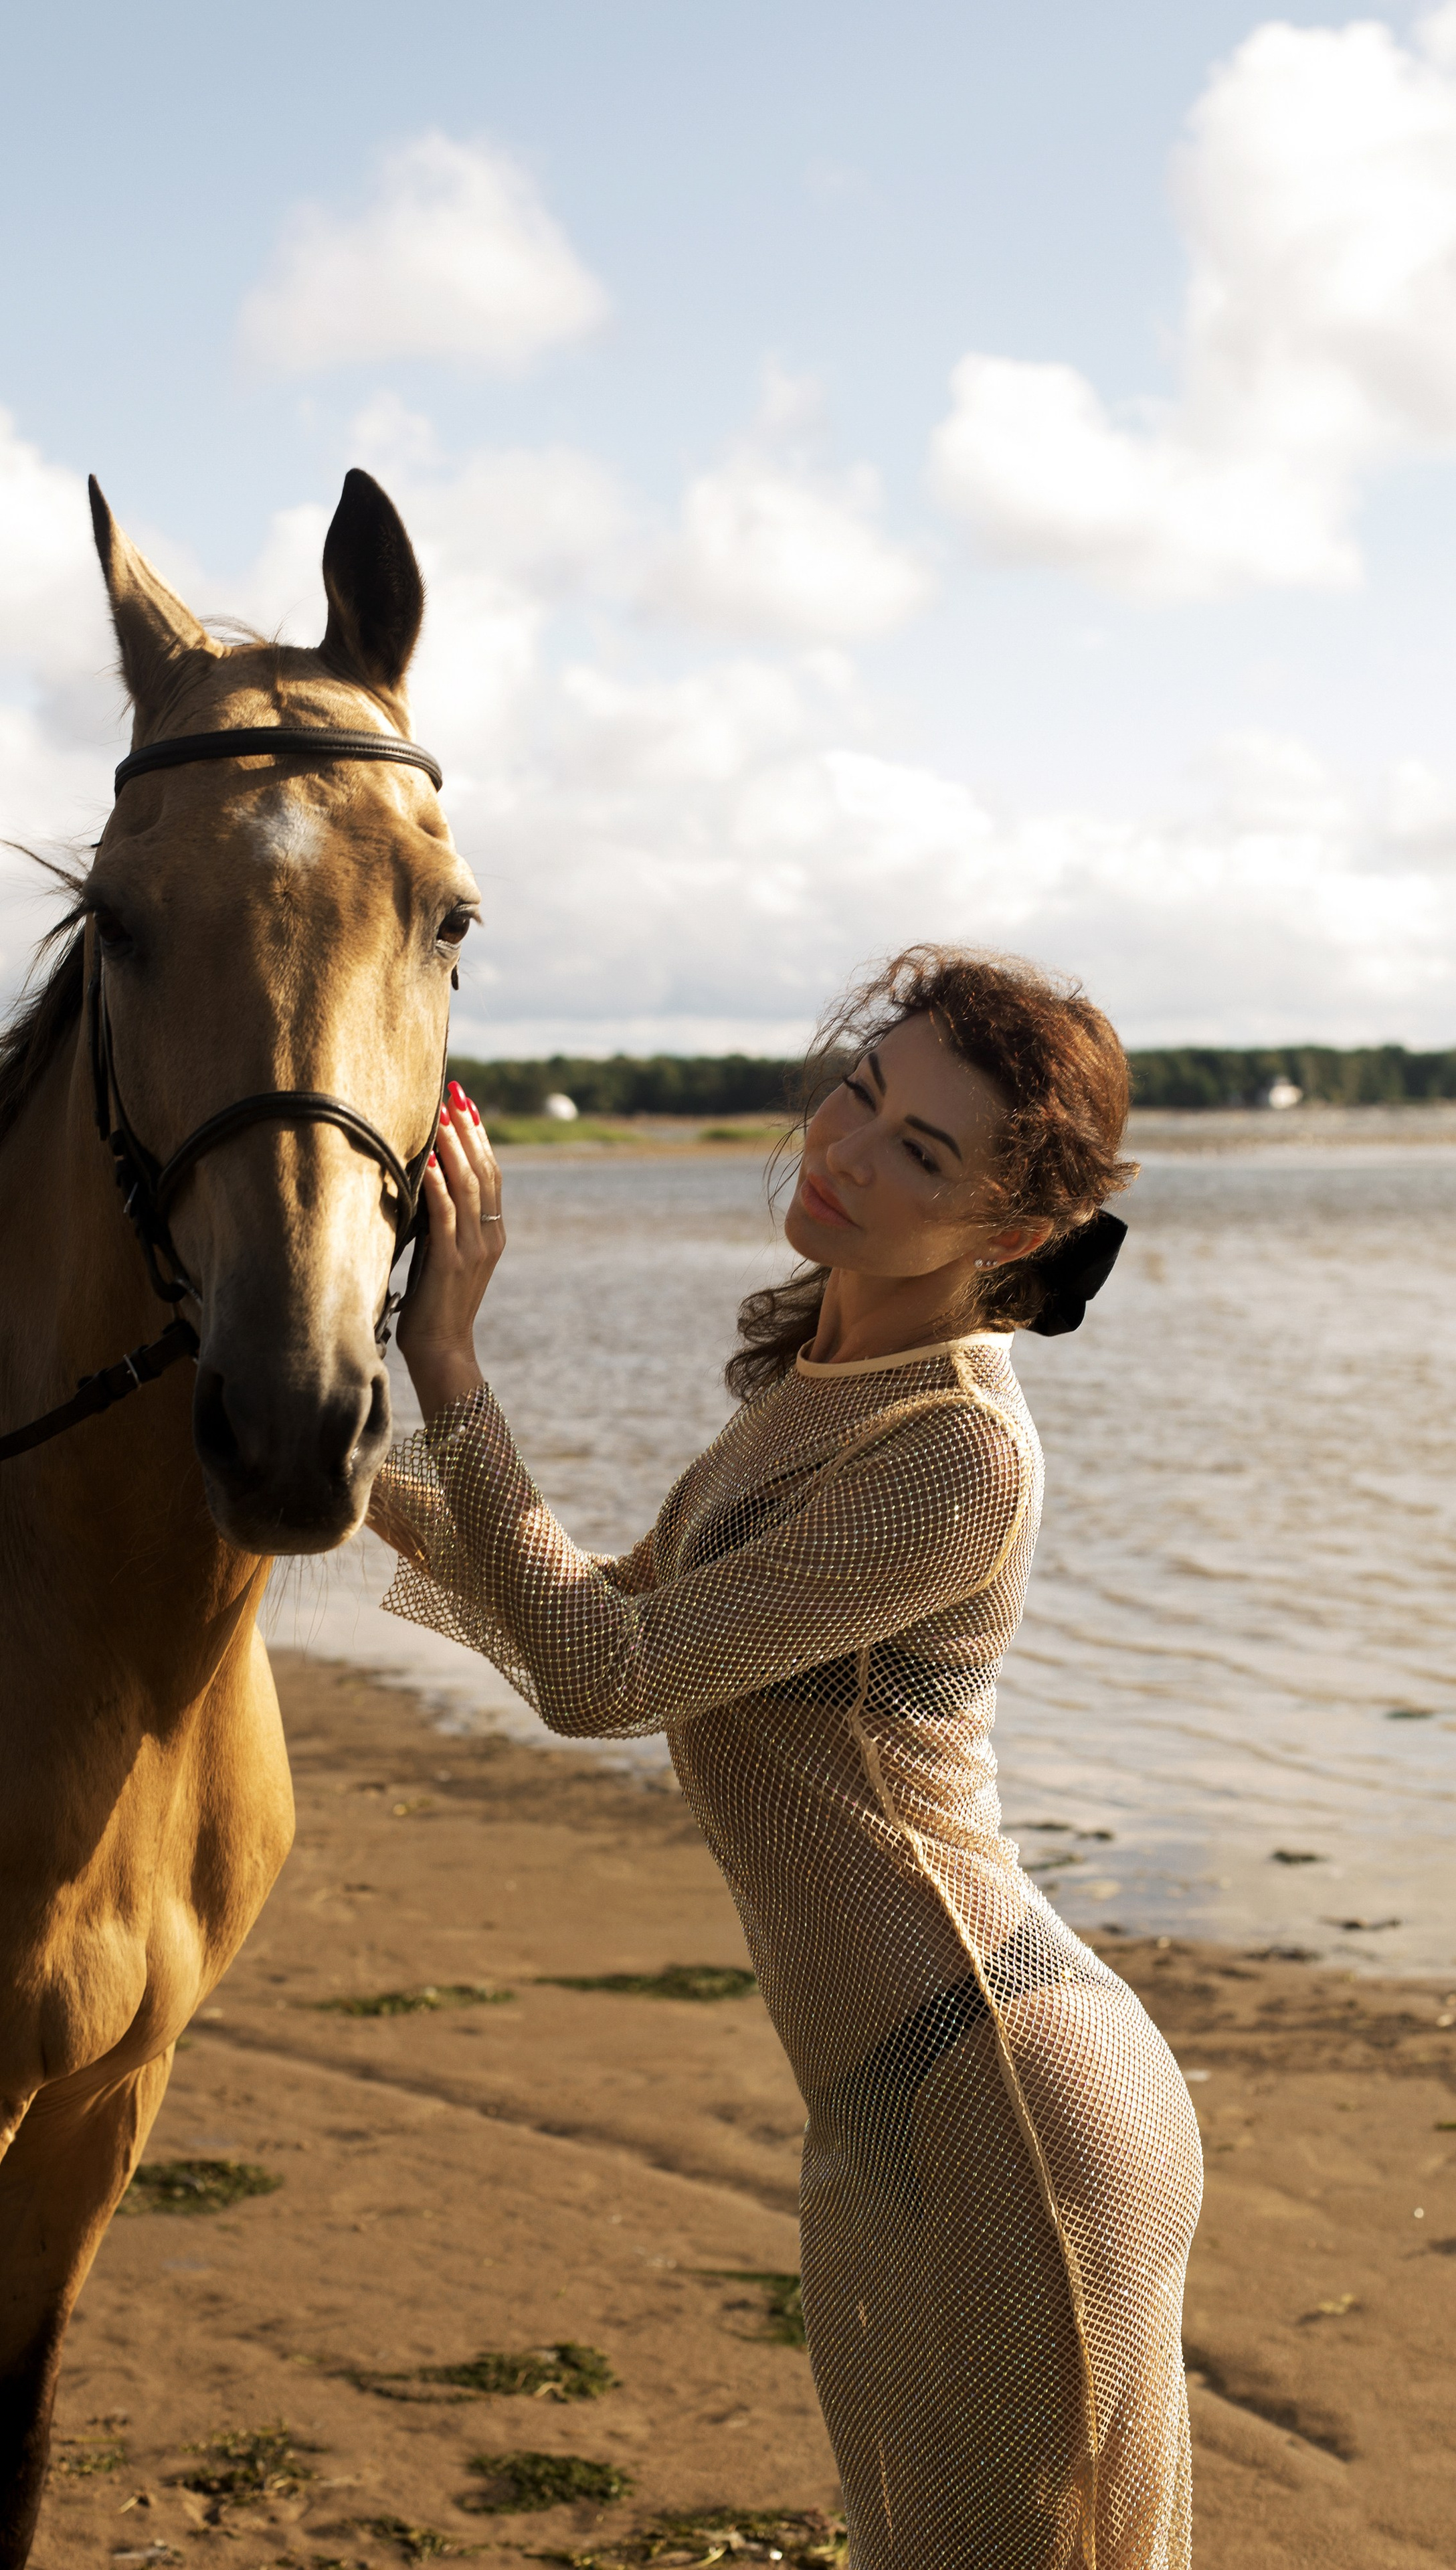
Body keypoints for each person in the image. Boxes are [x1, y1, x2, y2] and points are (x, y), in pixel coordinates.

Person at [367, 946, 1202, 2570]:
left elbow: (601, 1678)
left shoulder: (953, 1445)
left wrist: (447, 1357)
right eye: (858, 1095)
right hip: (891, 2095)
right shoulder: (823, 1383)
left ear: (1008, 1234)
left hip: (1010, 2100)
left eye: (920, 1153)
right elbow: (610, 1609)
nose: (844, 1152)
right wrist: (339, 1464)